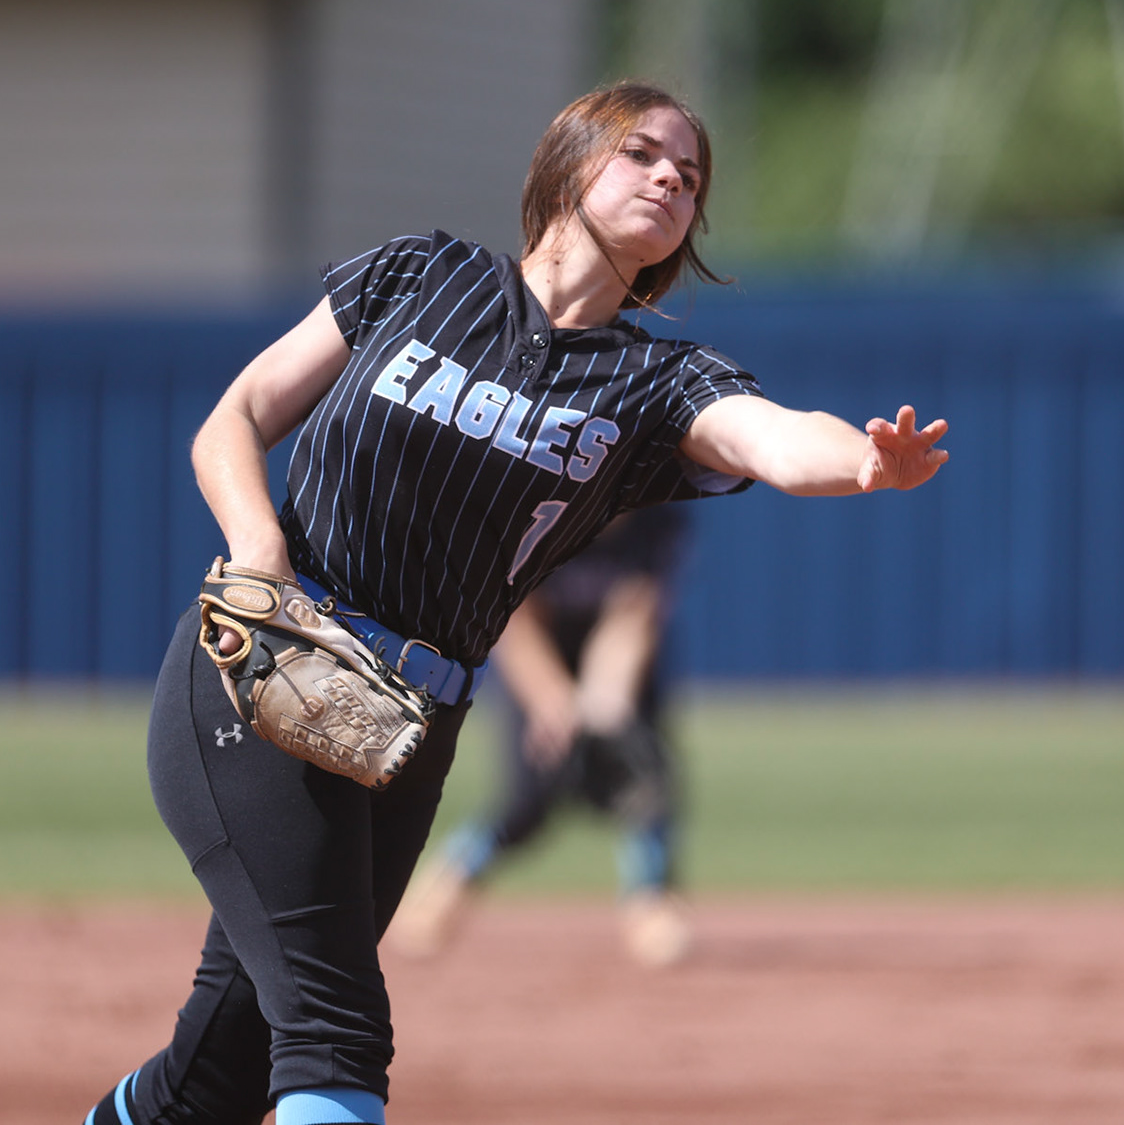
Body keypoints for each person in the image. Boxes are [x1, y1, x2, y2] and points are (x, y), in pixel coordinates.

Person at [84, 81, 949, 1125]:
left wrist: (862, 458)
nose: (672, 176)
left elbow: (769, 435)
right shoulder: (421, 273)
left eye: (692, 174)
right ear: (569, 161)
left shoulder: (655, 381)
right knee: (335, 1022)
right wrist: (259, 546)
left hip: (402, 734)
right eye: (643, 153)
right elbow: (238, 414)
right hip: (263, 668)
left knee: (218, 1070)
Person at [391, 503, 696, 968]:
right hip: (536, 653)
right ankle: (445, 885)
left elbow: (637, 610)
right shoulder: (537, 508)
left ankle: (651, 903)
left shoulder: (660, 514)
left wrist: (607, 700)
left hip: (617, 665)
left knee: (646, 778)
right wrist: (552, 700)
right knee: (529, 799)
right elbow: (517, 620)